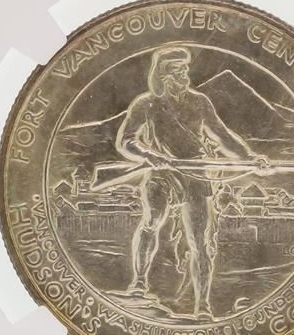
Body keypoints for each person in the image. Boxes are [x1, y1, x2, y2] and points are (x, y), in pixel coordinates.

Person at [115, 46, 268, 318]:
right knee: (151, 222)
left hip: (195, 174)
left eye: (185, 69)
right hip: (161, 173)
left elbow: (222, 135)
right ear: (164, 75)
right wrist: (151, 155)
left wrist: (249, 158)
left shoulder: (200, 102)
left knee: (199, 241)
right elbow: (127, 141)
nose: (184, 74)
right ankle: (138, 282)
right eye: (178, 70)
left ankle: (203, 305)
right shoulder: (146, 104)